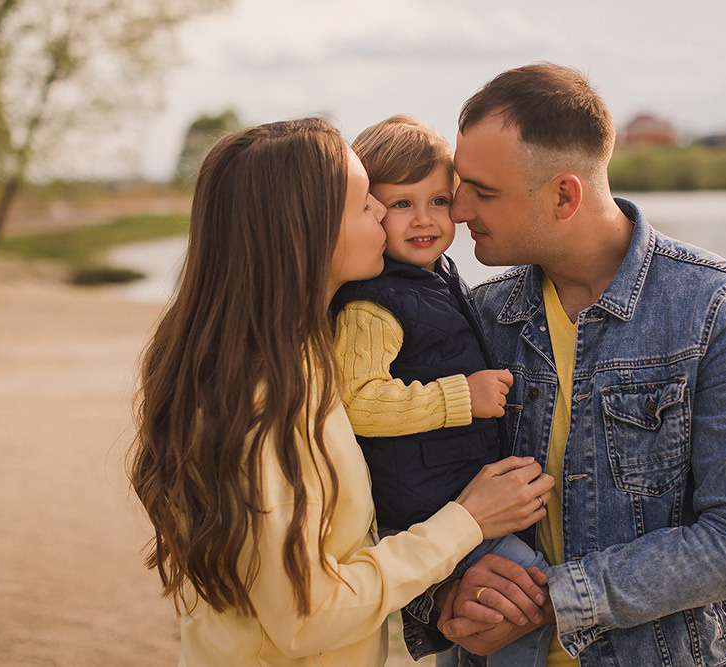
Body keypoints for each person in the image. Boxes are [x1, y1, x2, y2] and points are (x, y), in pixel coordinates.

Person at [127, 117, 555, 666]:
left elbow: (348, 545)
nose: (383, 212)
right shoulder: (263, 404)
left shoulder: (308, 356)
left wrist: (447, 585)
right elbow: (308, 615)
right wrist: (465, 522)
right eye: (365, 203)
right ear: (306, 231)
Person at [410, 63, 726, 666]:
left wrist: (553, 601)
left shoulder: (718, 309)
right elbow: (404, 492)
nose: (457, 210)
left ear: (565, 195)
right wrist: (444, 597)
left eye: (483, 192)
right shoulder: (473, 316)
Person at [331, 115, 554, 666]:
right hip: (429, 502)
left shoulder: (439, 275)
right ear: (370, 211)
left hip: (455, 491)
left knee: (496, 605)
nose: (424, 218)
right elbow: (359, 402)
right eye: (401, 204)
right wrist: (461, 397)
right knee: (522, 595)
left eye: (438, 200)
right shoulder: (373, 302)